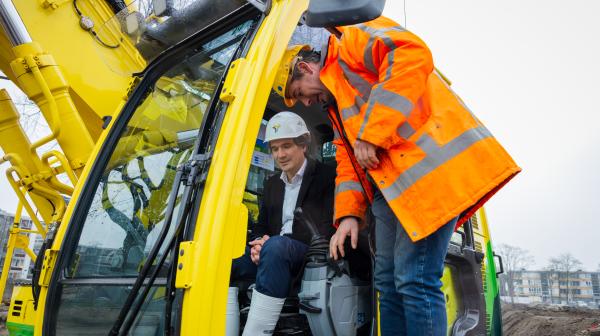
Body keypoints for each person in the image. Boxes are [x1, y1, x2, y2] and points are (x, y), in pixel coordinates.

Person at [272, 17, 521, 336]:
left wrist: (373, 133)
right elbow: (349, 159)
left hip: (428, 174)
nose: (306, 102)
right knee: (387, 283)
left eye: (299, 93)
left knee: (414, 279)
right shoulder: (338, 106)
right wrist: (348, 214)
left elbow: (411, 53)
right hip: (387, 192)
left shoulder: (350, 40)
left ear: (305, 69)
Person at [229, 111, 336, 336]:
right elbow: (262, 225)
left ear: (303, 145)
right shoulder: (271, 185)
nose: (280, 155)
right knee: (229, 264)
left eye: (286, 146)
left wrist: (271, 244)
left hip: (307, 251)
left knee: (276, 247)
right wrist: (258, 244)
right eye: (275, 149)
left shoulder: (327, 176)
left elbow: (326, 227)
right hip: (273, 251)